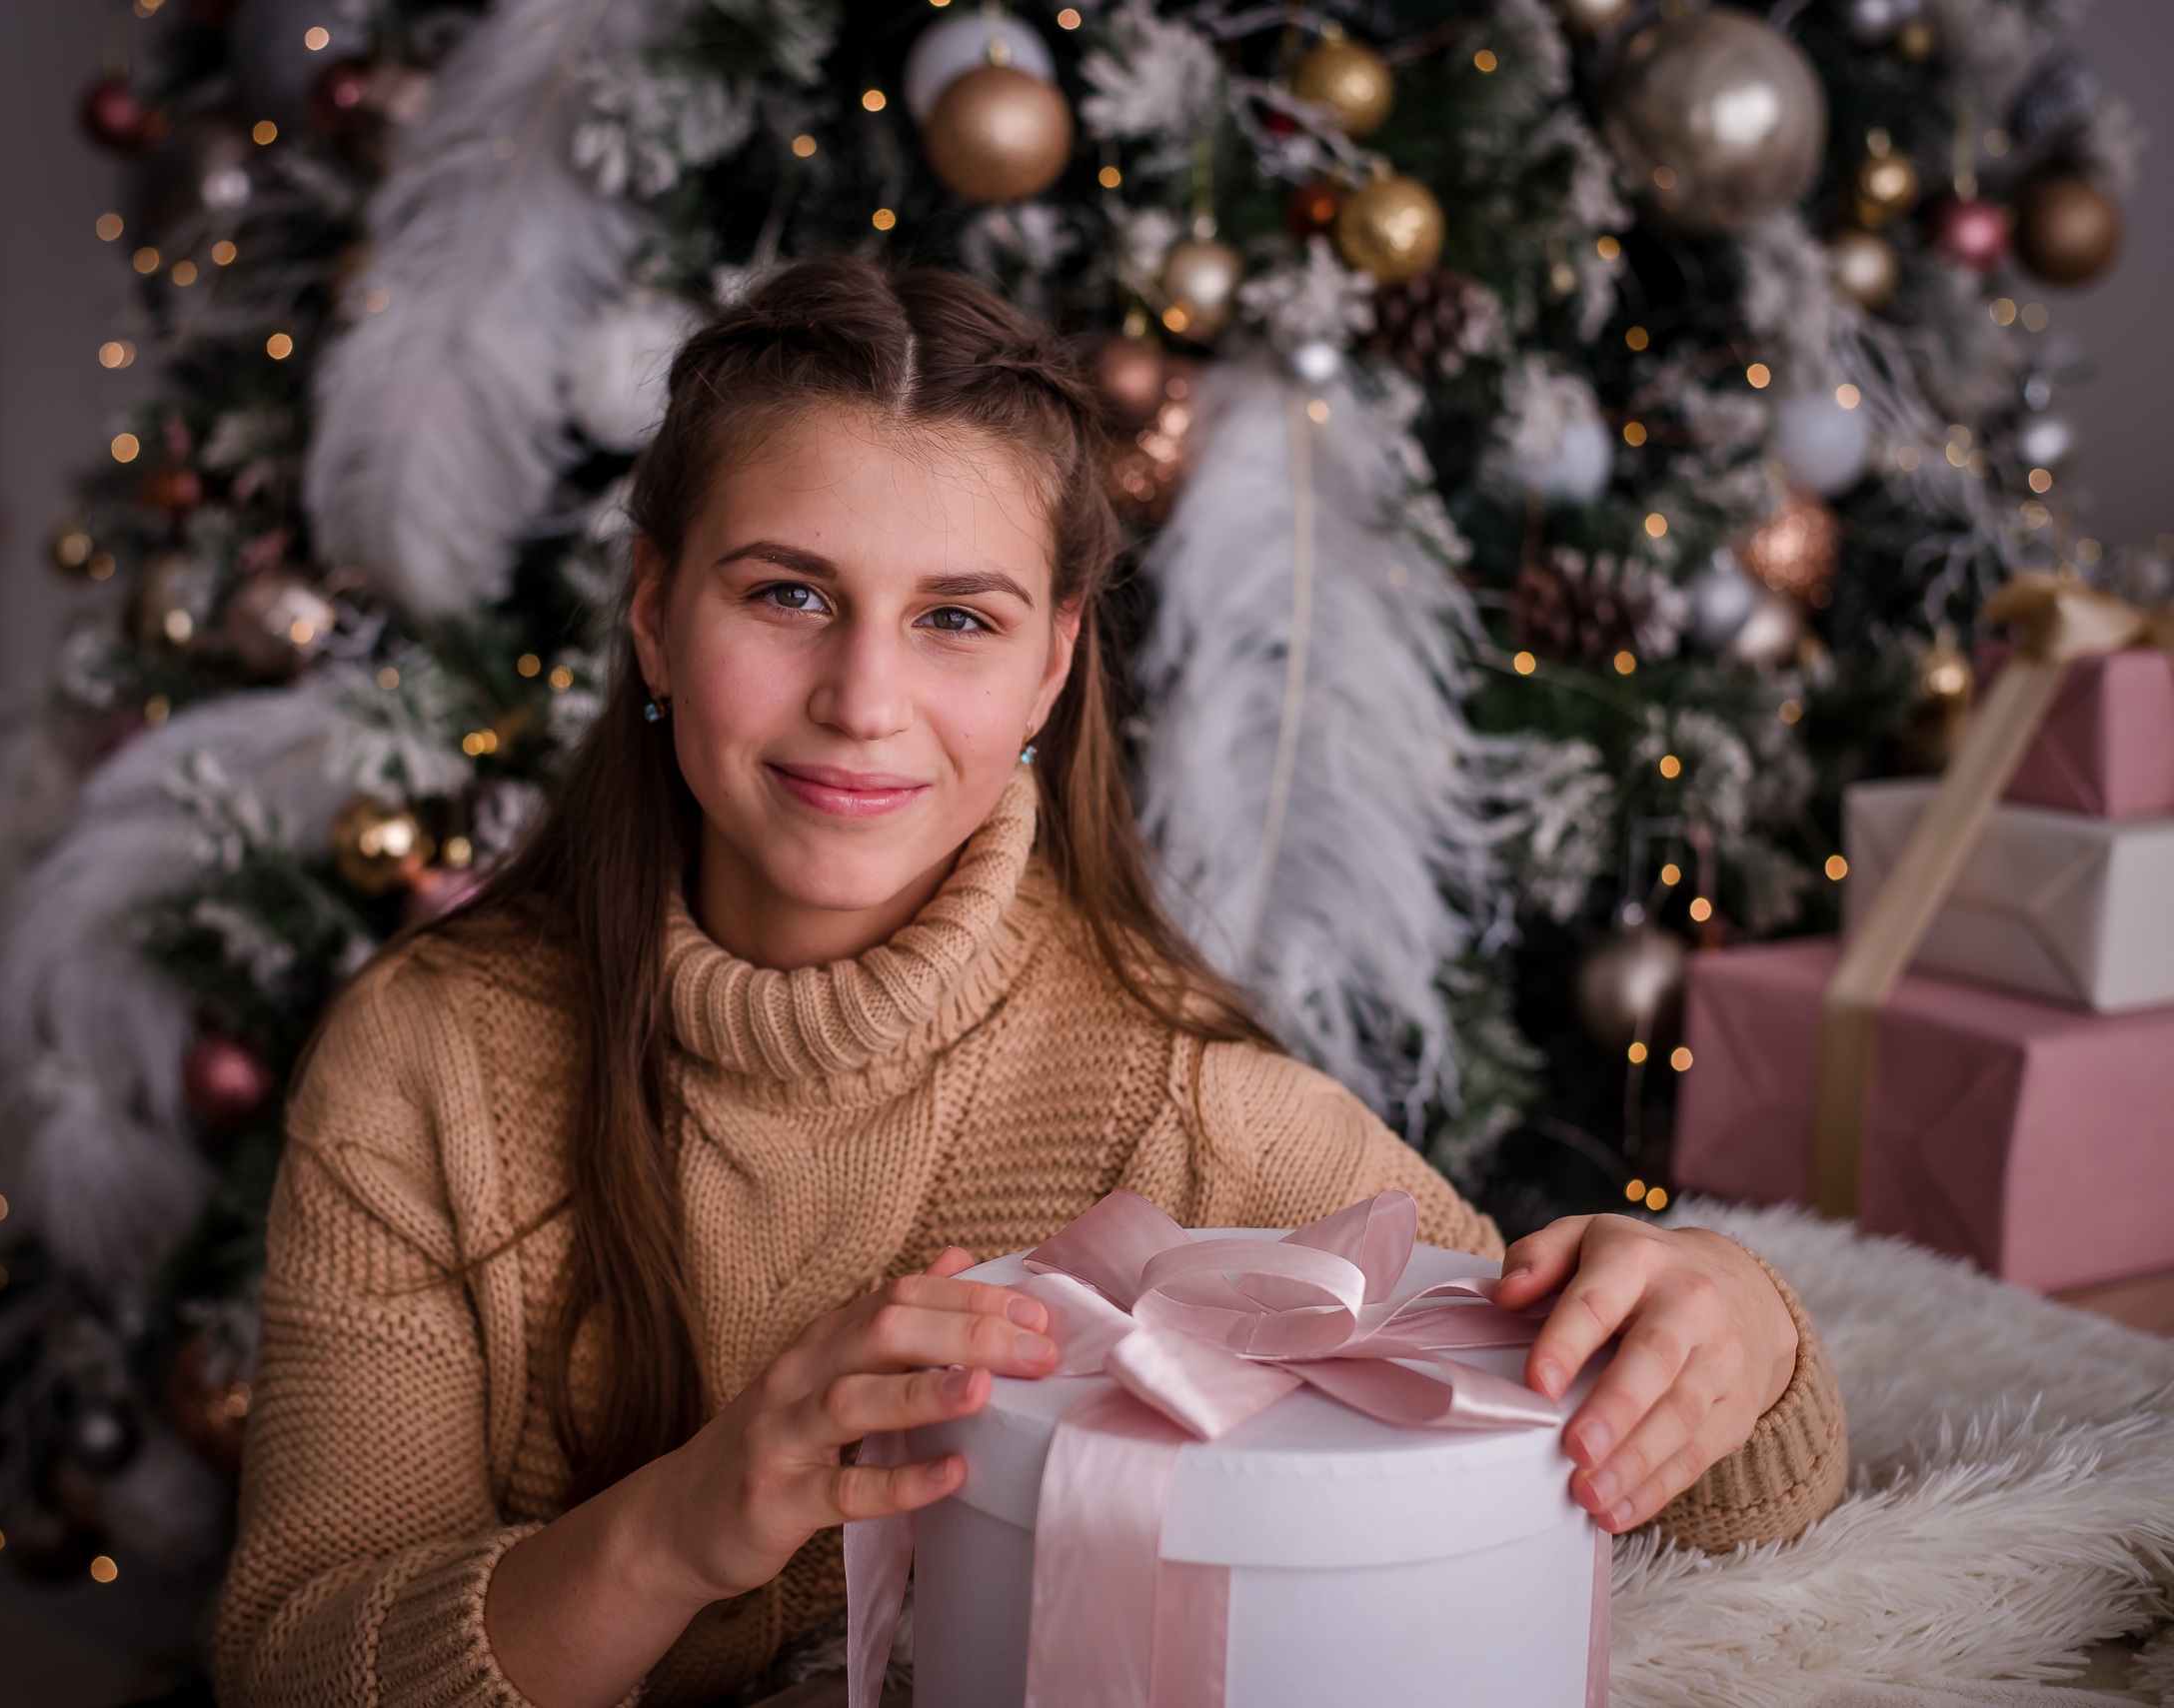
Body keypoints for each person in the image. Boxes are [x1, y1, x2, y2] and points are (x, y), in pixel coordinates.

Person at [213, 258, 1846, 1708]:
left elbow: (1695, 1470)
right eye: (788, 593)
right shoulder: (425, 1061)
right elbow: (294, 1658)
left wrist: (1740, 1320)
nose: (863, 697)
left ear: (1054, 665)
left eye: (956, 619)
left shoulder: (1188, 1109)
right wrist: (686, 1521)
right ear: (651, 614)